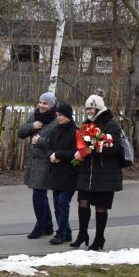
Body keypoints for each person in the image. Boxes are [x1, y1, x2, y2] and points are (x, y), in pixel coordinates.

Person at [71, 90, 123, 251]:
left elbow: (114, 148)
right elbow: (80, 142)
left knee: (100, 206)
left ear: (99, 108)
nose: (89, 112)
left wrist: (94, 148)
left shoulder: (111, 125)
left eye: (91, 109)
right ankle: (82, 234)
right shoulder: (86, 125)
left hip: (105, 174)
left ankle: (99, 237)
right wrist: (81, 150)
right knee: (82, 202)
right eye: (87, 109)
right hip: (87, 172)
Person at [17, 92, 58, 239]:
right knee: (40, 195)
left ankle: (40, 226)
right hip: (34, 163)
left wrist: (41, 141)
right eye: (40, 102)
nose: (41, 105)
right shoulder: (35, 117)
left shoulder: (57, 120)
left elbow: (60, 142)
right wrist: (32, 126)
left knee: (38, 195)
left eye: (45, 103)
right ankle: (47, 226)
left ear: (52, 106)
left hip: (47, 163)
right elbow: (20, 133)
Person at [45, 103, 79, 244]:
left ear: (68, 116)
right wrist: (51, 156)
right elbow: (47, 149)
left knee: (63, 203)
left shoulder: (76, 132)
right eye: (57, 115)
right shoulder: (55, 131)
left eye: (61, 115)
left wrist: (58, 155)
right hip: (56, 173)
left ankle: (60, 233)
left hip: (69, 174)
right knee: (57, 205)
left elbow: (76, 152)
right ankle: (67, 232)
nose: (58, 118)